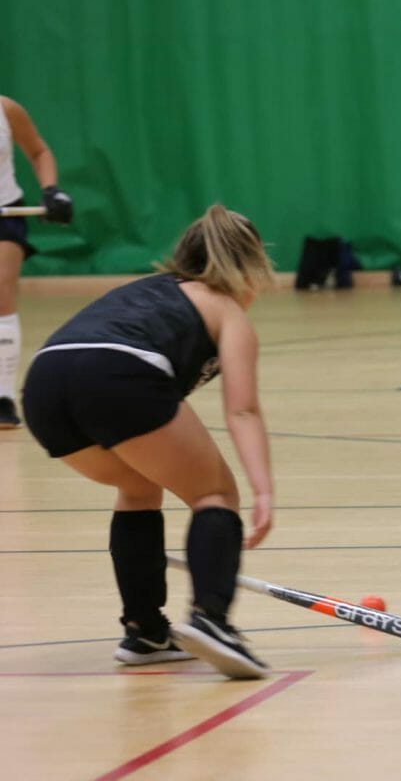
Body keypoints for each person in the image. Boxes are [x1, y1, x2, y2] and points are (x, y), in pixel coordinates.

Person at [21, 204, 278, 679]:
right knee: (215, 494)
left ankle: (146, 633)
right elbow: (242, 409)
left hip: (44, 384)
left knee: (140, 488)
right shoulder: (226, 310)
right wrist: (263, 490)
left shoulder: (145, 291)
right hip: (116, 374)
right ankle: (212, 621)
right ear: (253, 266)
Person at [0, 95, 74, 428]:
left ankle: (2, 396)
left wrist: (51, 191)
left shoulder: (7, 110)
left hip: (5, 211)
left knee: (1, 291)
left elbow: (39, 151)